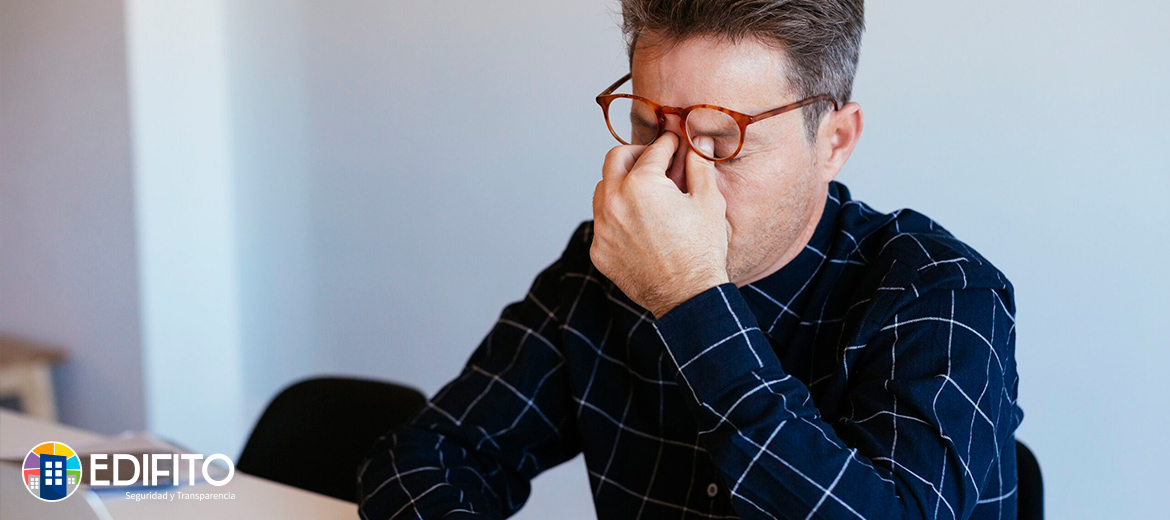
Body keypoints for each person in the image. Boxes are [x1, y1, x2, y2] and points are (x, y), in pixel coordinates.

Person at [358, 1, 1022, 518]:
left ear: (835, 140)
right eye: (650, 128)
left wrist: (690, 300)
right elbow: (428, 459)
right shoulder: (607, 268)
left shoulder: (941, 294)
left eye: (720, 138)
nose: (671, 176)